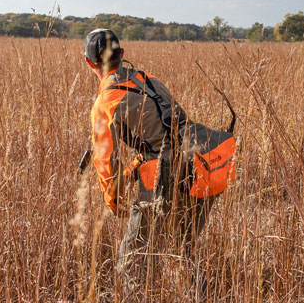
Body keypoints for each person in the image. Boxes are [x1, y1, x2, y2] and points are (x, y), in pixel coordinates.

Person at [84, 28, 236, 268]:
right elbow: (168, 129)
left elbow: (105, 160)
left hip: (162, 176)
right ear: (122, 53)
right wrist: (135, 165)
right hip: (199, 165)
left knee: (132, 259)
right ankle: (201, 302)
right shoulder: (148, 79)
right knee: (183, 252)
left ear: (88, 61)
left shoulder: (105, 102)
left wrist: (112, 199)